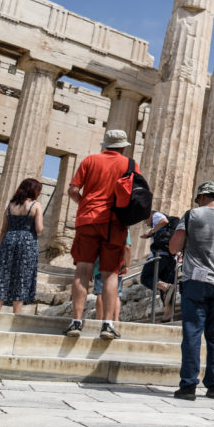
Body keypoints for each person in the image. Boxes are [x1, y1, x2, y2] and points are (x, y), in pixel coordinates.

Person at [170, 181, 214, 401]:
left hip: (197, 280)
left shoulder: (193, 215)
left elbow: (174, 246)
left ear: (201, 197)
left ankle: (189, 385)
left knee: (193, 332)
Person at [65, 129, 138, 340]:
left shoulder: (90, 160)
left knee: (83, 270)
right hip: (114, 223)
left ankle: (76, 322)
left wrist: (85, 204)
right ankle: (107, 324)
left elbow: (72, 190)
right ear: (124, 146)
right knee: (110, 274)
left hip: (88, 220)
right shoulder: (130, 165)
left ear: (105, 144)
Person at [0, 178, 44, 314]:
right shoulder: (35, 205)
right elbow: (39, 228)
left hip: (8, 240)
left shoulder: (10, 205)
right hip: (27, 241)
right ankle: (16, 313)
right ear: (34, 191)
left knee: (3, 274)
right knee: (22, 275)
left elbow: (3, 229)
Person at [139, 210, 178, 321]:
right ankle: (168, 314)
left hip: (159, 256)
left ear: (149, 216)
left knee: (146, 278)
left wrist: (151, 232)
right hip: (171, 259)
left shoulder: (156, 215)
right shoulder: (172, 225)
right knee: (166, 289)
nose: (147, 223)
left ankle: (166, 287)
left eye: (146, 220)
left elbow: (163, 221)